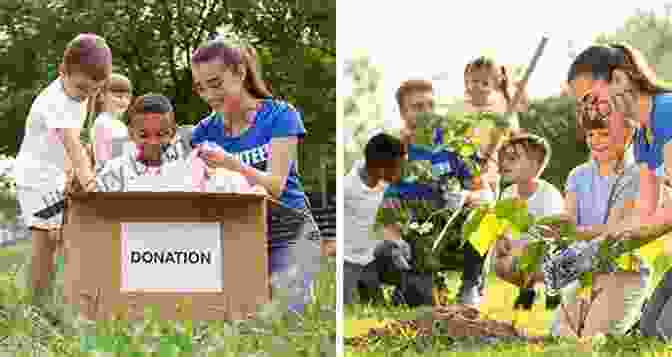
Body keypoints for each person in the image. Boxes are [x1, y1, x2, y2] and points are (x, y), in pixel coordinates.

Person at [189, 37, 321, 314]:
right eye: (201, 88)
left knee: (282, 317)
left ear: (240, 73)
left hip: (289, 233)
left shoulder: (280, 116)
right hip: (238, 236)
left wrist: (231, 163)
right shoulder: (202, 132)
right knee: (227, 316)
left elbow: (275, 187)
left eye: (215, 84)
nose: (209, 96)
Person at [566, 43, 672, 340]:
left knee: (666, 330)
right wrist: (598, 246)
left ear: (622, 79)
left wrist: (602, 245)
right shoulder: (642, 139)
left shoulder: (667, 112)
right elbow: (644, 213)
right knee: (651, 331)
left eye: (591, 97)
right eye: (581, 103)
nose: (588, 110)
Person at [13, 33, 111, 299]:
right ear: (62, 72)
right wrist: (92, 185)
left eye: (95, 89)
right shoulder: (54, 102)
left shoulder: (80, 95)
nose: (86, 96)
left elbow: (77, 138)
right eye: (82, 88)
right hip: (35, 177)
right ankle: (37, 303)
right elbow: (72, 145)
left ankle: (57, 295)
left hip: (54, 175)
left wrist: (70, 174)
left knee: (61, 238)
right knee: (45, 240)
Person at [384, 79, 495, 307]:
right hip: (420, 238)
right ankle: (420, 284)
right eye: (417, 107)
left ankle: (470, 286)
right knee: (422, 301)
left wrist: (466, 197)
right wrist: (395, 240)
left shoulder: (456, 145)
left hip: (457, 232)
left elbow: (486, 194)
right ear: (403, 113)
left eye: (430, 105)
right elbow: (389, 208)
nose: (427, 112)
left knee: (487, 217)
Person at [549, 106, 651, 338]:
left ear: (626, 134)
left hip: (624, 271)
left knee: (594, 336)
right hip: (586, 271)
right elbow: (568, 220)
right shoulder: (578, 175)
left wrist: (573, 232)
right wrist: (552, 230)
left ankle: (636, 314)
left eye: (603, 134)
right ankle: (623, 315)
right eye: (590, 134)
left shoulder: (635, 175)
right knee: (562, 333)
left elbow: (614, 231)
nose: (595, 141)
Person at [492, 134, 565, 306]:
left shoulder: (549, 195)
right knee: (502, 265)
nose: (505, 163)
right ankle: (527, 289)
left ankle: (553, 289)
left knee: (531, 260)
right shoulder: (508, 193)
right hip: (520, 254)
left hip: (546, 256)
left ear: (535, 166)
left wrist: (519, 249)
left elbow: (551, 236)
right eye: (505, 158)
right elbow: (502, 228)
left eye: (513, 159)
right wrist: (501, 241)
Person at [343, 133, 405, 305]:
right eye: (397, 168)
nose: (400, 172)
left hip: (371, 257)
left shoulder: (385, 185)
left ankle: (400, 293)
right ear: (380, 168)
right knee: (353, 304)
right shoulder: (347, 190)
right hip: (348, 261)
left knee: (400, 253)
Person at [462, 56, 529, 196]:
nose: (478, 86)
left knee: (488, 203)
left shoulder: (502, 104)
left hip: (491, 168)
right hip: (466, 168)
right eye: (474, 81)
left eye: (485, 83)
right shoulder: (463, 106)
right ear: (467, 81)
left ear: (495, 84)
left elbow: (512, 132)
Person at [90, 73, 133, 168]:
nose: (124, 101)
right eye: (119, 96)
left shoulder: (118, 124)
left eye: (127, 98)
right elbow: (116, 155)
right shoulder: (104, 123)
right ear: (102, 96)